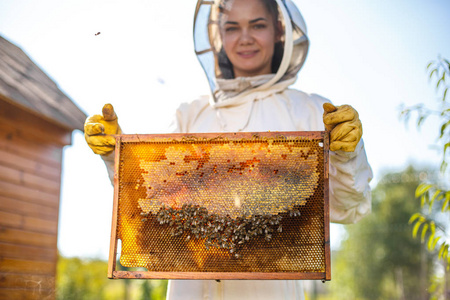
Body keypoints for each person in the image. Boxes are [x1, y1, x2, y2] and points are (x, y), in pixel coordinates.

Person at [84, 0, 372, 299]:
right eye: (232, 27)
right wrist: (116, 156)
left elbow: (348, 207)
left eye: (257, 25)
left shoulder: (309, 111)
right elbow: (147, 203)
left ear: (279, 30)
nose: (245, 38)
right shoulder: (190, 114)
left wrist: (347, 154)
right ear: (217, 36)